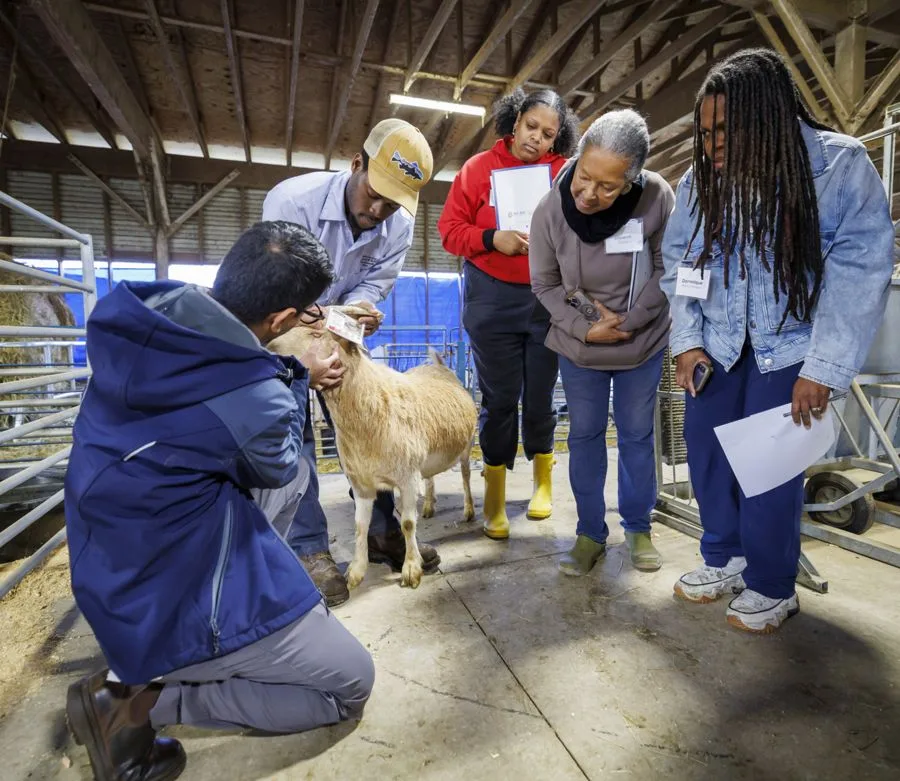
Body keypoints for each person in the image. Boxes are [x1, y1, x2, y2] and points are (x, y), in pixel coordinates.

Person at [63, 222, 375, 781]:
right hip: (169, 593)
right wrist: (294, 380)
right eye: (307, 314)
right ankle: (136, 704)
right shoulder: (254, 395)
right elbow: (276, 459)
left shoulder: (148, 314)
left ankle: (145, 674)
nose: (309, 322)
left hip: (106, 560)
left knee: (274, 476)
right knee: (350, 682)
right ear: (281, 320)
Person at [660, 48, 894, 633]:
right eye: (705, 132)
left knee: (767, 470)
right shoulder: (698, 182)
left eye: (725, 131)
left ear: (768, 119)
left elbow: (862, 266)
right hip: (716, 345)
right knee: (708, 456)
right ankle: (726, 559)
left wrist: (825, 366)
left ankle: (770, 584)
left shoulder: (838, 168)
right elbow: (678, 261)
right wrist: (686, 342)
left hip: (790, 349)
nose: (712, 144)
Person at [262, 118, 436, 606]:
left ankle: (385, 532)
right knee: (291, 418)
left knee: (372, 416)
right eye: (374, 194)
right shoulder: (290, 201)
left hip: (341, 327)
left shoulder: (397, 223)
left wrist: (359, 313)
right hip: (286, 318)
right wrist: (315, 347)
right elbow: (280, 290)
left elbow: (374, 284)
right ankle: (308, 548)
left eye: (392, 203)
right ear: (356, 164)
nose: (378, 210)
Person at [529, 109, 675, 576]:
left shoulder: (657, 198)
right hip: (582, 347)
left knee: (636, 435)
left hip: (641, 341)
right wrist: (587, 326)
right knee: (586, 434)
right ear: (577, 158)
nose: (590, 194)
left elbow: (667, 265)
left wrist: (630, 320)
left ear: (631, 182)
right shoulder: (550, 210)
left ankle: (638, 527)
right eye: (585, 178)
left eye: (608, 186)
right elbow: (545, 285)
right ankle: (590, 532)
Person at [437, 88, 579, 540]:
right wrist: (490, 238)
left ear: (558, 141)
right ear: (514, 121)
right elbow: (449, 231)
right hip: (491, 298)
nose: (537, 139)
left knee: (539, 397)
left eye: (549, 134)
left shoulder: (564, 174)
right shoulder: (478, 170)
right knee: (499, 401)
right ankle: (494, 496)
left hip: (545, 299)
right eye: (532, 127)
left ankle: (542, 483)